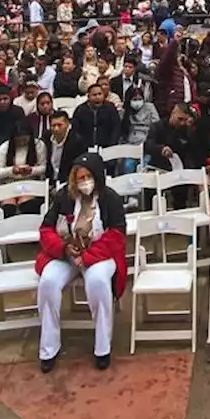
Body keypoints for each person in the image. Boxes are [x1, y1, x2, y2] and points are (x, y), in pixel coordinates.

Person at [35, 152, 127, 373]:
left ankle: (102, 347)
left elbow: (117, 236)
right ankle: (49, 347)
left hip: (99, 255)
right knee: (48, 282)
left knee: (97, 282)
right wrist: (64, 248)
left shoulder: (110, 199)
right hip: (66, 253)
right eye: (79, 178)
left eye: (87, 176)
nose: (83, 182)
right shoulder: (64, 197)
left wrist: (86, 257)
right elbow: (46, 229)